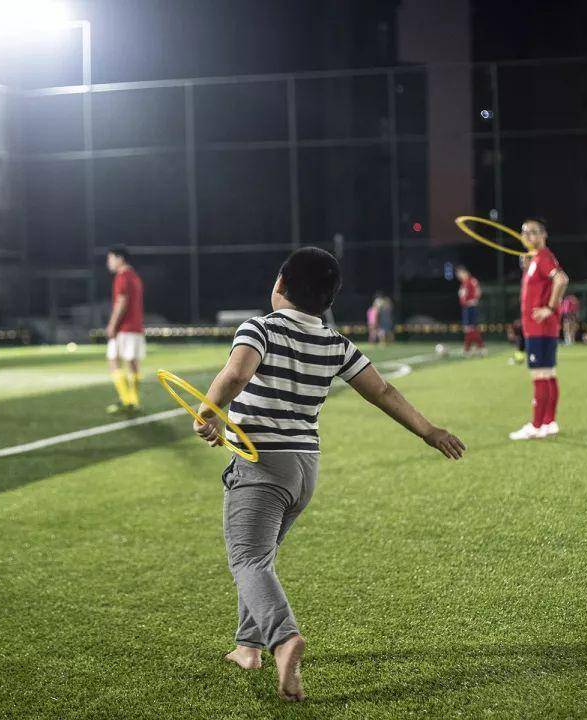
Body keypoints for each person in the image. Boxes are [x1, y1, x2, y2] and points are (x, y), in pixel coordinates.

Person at [191, 247, 465, 702]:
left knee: (247, 559)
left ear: (279, 283)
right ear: (329, 300)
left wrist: (209, 411)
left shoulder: (259, 328)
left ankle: (282, 639)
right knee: (261, 555)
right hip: (304, 470)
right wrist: (429, 431)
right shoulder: (335, 342)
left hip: (263, 464)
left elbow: (237, 372)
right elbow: (382, 390)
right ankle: (248, 646)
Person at [510, 218, 568, 440]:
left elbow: (561, 279)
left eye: (533, 232)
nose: (528, 237)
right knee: (549, 374)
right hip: (541, 327)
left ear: (544, 235)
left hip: (540, 327)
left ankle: (536, 425)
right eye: (524, 233)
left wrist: (550, 307)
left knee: (540, 375)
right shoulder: (535, 259)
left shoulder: (543, 257)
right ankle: (548, 422)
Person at [105, 246, 146, 413]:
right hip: (136, 327)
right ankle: (134, 401)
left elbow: (121, 302)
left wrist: (112, 325)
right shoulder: (135, 276)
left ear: (120, 258)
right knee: (133, 364)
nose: (109, 263)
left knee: (113, 361)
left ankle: (125, 400)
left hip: (124, 328)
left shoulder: (122, 276)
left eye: (110, 258)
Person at [455, 265, 485, 356]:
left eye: (459, 274)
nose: (458, 276)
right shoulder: (464, 283)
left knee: (470, 328)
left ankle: (470, 348)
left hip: (470, 307)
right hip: (466, 307)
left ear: (464, 273)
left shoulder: (471, 281)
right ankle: (478, 347)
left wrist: (473, 301)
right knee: (470, 329)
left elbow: (478, 291)